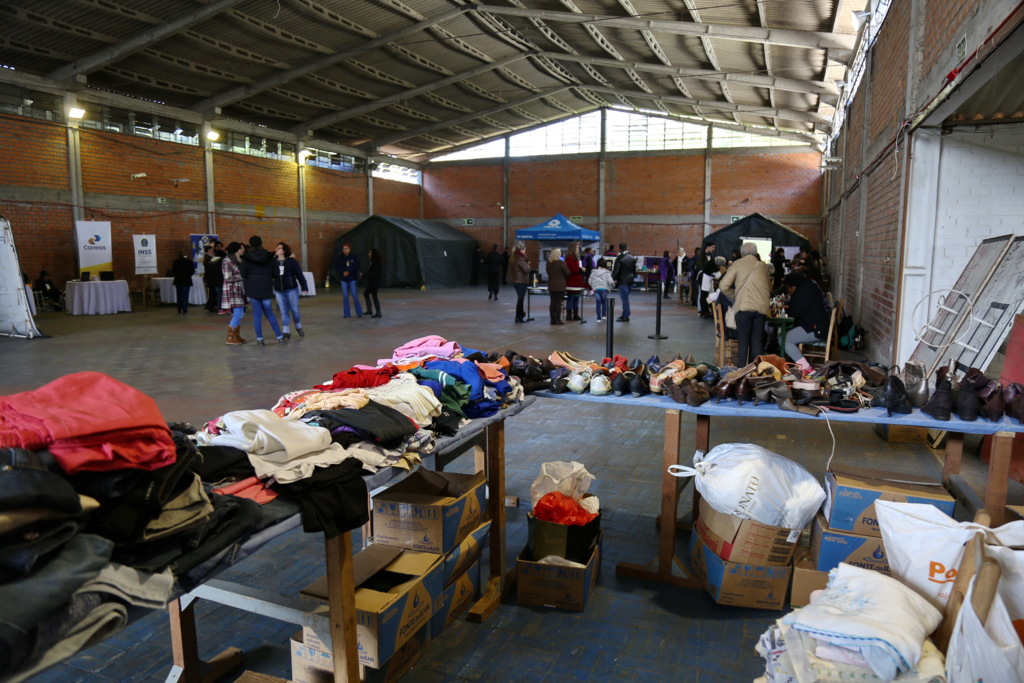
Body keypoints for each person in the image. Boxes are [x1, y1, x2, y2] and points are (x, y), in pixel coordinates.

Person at [719, 242, 772, 366]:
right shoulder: (763, 266)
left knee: (743, 342)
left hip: (743, 308)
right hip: (761, 309)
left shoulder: (737, 264)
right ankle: (757, 371)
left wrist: (735, 296)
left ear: (742, 253)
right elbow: (769, 287)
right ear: (755, 252)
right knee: (757, 342)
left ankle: (742, 373)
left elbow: (723, 285)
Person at [782, 270, 831, 373]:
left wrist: (786, 308)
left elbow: (794, 312)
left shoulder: (802, 292)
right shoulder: (810, 287)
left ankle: (806, 368)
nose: (789, 291)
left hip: (815, 329)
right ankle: (798, 363)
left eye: (789, 288)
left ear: (793, 286)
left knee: (784, 339)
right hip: (818, 326)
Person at [241, 235, 284, 345]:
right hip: (266, 287)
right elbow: (276, 273)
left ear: (250, 244)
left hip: (253, 287)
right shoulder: (270, 257)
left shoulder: (246, 257)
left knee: (257, 315)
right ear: (261, 243)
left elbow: (243, 274)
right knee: (269, 313)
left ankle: (260, 339)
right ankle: (279, 336)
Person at [273, 241, 309, 338]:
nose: (277, 249)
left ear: (284, 250)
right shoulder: (273, 262)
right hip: (279, 290)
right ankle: (286, 331)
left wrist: (304, 287)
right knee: (283, 311)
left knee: (294, 310)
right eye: (276, 247)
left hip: (291, 289)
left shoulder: (292, 262)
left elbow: (299, 275)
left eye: (279, 248)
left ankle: (298, 326)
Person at [221, 242, 247, 345]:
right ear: (236, 250)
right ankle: (230, 337)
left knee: (240, 313)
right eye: (241, 248)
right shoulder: (227, 261)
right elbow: (228, 277)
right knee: (237, 313)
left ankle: (236, 335)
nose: (243, 250)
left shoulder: (240, 260)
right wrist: (242, 276)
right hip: (232, 290)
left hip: (240, 289)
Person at [335, 243, 363, 318]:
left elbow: (356, 266)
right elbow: (337, 267)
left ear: (350, 249)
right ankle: (347, 314)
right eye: (344, 248)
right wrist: (342, 272)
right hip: (343, 279)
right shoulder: (340, 258)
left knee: (354, 295)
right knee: (345, 296)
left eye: (347, 248)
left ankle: (359, 312)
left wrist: (349, 272)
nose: (345, 250)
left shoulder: (354, 257)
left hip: (352, 278)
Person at [611, 242, 636, 322]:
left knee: (625, 299)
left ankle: (625, 315)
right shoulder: (632, 258)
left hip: (622, 281)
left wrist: (611, 279)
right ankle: (625, 314)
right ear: (626, 247)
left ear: (619, 248)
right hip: (630, 280)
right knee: (626, 298)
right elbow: (634, 270)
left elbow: (616, 271)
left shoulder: (619, 258)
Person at [545, 248, 569, 325]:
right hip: (560, 285)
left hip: (551, 285)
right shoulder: (561, 263)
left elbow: (548, 272)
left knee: (552, 302)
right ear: (559, 254)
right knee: (558, 303)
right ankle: (558, 320)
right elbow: (567, 273)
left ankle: (552, 319)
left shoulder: (549, 263)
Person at [589, 258, 614, 323]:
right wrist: (612, 286)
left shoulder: (594, 272)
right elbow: (610, 281)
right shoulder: (607, 272)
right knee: (604, 302)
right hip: (604, 288)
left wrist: (593, 286)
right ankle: (604, 316)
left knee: (598, 303)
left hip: (596, 289)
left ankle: (598, 318)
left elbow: (590, 281)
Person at [511, 241, 531, 323]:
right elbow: (527, 269)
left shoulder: (513, 257)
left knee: (520, 298)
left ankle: (520, 315)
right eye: (525, 250)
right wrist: (528, 264)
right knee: (520, 299)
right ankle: (518, 316)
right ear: (522, 250)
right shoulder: (520, 258)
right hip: (521, 281)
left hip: (515, 280)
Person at [171, 249, 195, 315]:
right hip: (187, 280)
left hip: (178, 280)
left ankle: (179, 309)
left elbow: (174, 271)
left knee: (179, 295)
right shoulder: (189, 261)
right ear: (185, 255)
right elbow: (192, 271)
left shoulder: (175, 261)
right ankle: (185, 309)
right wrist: (188, 275)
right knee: (185, 296)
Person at [564, 243, 584, 321]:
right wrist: (580, 269)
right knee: (571, 298)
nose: (578, 249)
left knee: (576, 298)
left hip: (578, 281)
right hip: (572, 281)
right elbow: (572, 269)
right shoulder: (570, 258)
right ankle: (569, 315)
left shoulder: (577, 257)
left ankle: (576, 314)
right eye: (577, 248)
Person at [204, 244, 224, 312]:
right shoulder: (208, 258)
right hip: (211, 277)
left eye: (212, 250)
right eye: (210, 250)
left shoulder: (212, 257)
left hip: (212, 277)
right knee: (212, 292)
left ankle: (211, 305)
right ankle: (211, 306)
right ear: (206, 251)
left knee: (213, 293)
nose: (211, 251)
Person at [363, 248, 382, 318]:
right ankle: (375, 311)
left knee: (367, 294)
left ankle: (375, 311)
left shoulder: (375, 263)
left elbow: (373, 274)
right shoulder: (373, 262)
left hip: (374, 283)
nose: (369, 254)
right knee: (372, 295)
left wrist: (364, 275)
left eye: (370, 253)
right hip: (373, 282)